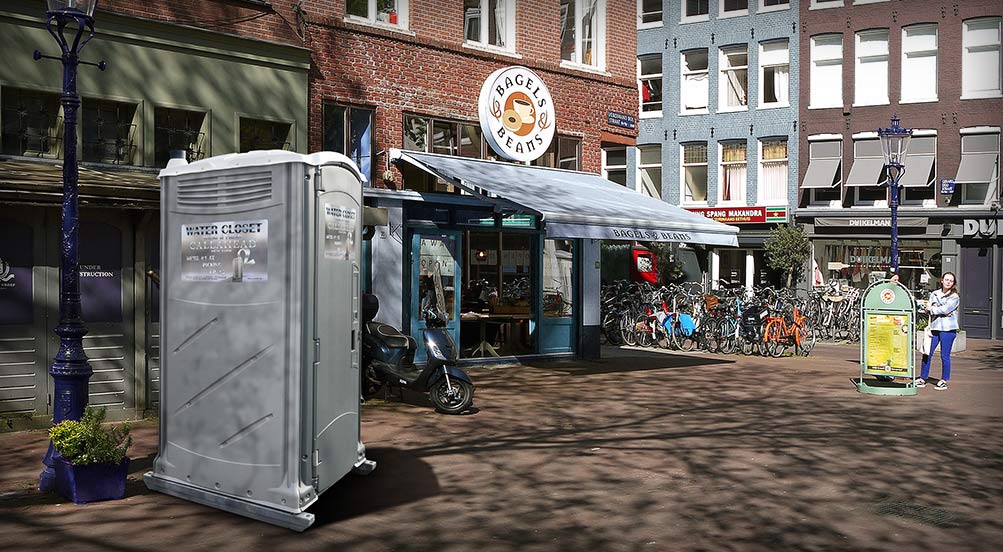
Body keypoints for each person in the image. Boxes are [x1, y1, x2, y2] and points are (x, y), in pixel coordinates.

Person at [916, 272, 960, 391]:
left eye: (951, 281)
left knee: (944, 355)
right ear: (942, 280)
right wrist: (934, 310)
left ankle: (944, 380)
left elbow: (945, 309)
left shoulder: (955, 296)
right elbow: (928, 308)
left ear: (953, 283)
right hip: (935, 327)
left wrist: (934, 309)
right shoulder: (934, 294)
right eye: (946, 279)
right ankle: (923, 378)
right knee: (927, 353)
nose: (948, 282)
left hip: (948, 329)